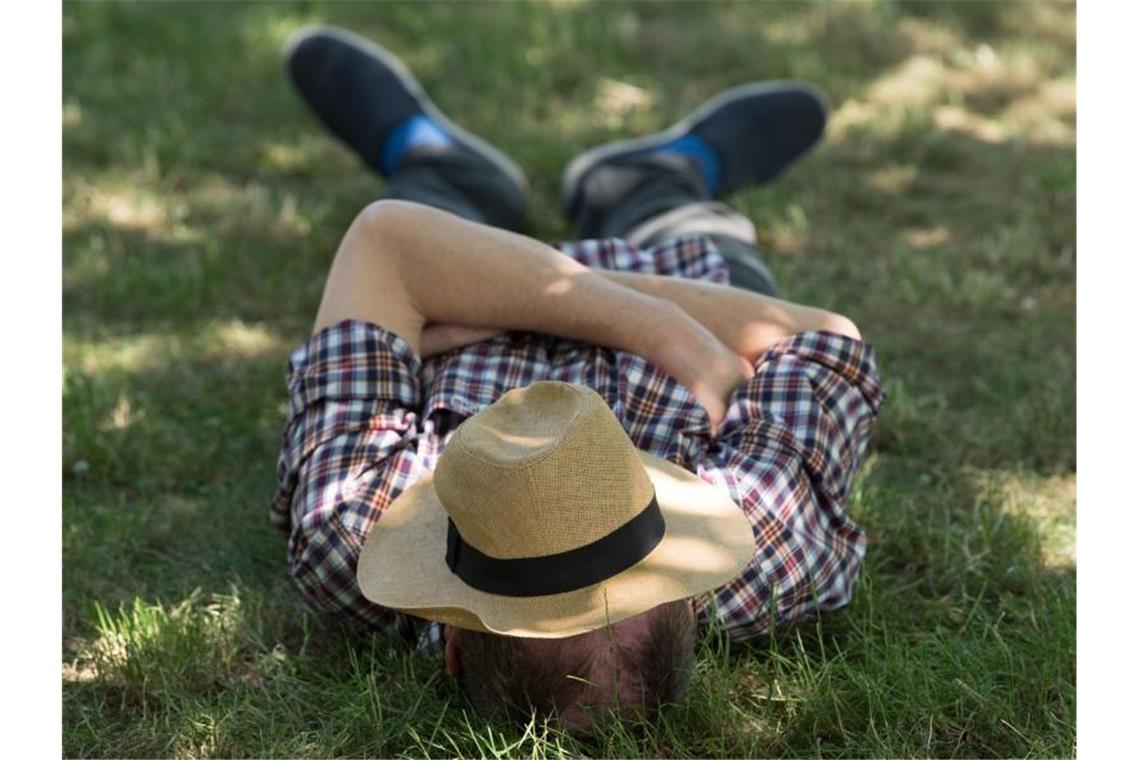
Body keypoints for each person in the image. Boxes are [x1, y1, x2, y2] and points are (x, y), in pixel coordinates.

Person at [271, 25, 883, 732]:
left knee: (434, 196)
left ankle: (435, 155)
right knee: (699, 231)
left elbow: (386, 241)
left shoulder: (352, 533)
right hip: (666, 284)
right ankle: (662, 175)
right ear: (694, 600)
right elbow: (821, 335)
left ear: (452, 649)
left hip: (479, 289)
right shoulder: (768, 546)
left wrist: (536, 293)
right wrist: (655, 318)